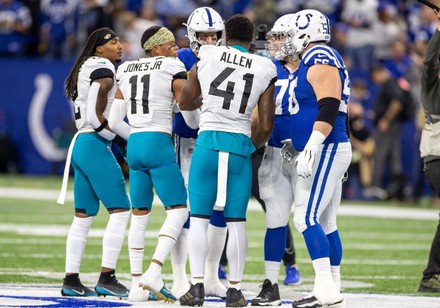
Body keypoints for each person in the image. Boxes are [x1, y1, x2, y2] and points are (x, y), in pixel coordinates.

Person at [178, 14, 277, 307]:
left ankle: (196, 286)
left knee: (198, 218)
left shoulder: (208, 54)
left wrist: (207, 103)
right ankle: (234, 289)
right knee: (237, 222)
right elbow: (267, 124)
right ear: (250, 39)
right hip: (238, 146)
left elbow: (185, 101)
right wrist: (248, 146)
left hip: (207, 143)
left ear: (224, 35)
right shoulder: (265, 65)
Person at [108, 25, 189, 303]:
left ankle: (135, 286)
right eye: (169, 44)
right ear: (155, 48)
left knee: (139, 215)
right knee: (179, 210)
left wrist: (137, 139)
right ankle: (154, 271)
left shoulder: (126, 69)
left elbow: (115, 121)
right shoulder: (171, 67)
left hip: (136, 144)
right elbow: (188, 111)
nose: (175, 48)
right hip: (158, 142)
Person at [280, 10, 351, 308]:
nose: (287, 41)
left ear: (305, 33)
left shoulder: (320, 54)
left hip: (328, 145)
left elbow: (330, 105)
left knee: (304, 217)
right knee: (326, 221)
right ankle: (333, 282)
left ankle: (325, 288)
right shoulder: (315, 57)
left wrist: (311, 145)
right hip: (331, 145)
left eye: (291, 33)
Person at [60, 27, 130, 298]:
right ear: (99, 48)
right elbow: (94, 113)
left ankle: (71, 279)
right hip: (94, 142)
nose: (120, 45)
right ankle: (107, 277)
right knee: (121, 211)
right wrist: (119, 139)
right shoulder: (102, 66)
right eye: (113, 42)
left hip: (81, 143)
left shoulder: (87, 65)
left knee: (83, 216)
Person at [170, 6, 229, 300]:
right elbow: (183, 105)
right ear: (192, 35)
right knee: (185, 210)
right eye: (203, 35)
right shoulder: (181, 58)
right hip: (187, 140)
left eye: (213, 35)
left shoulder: (230, 58)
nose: (208, 40)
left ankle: (211, 275)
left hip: (217, 141)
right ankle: (180, 276)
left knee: (219, 208)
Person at [418, 7, 440, 293]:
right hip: (437, 154)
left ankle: (432, 274)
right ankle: (430, 275)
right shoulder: (433, 88)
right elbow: (428, 62)